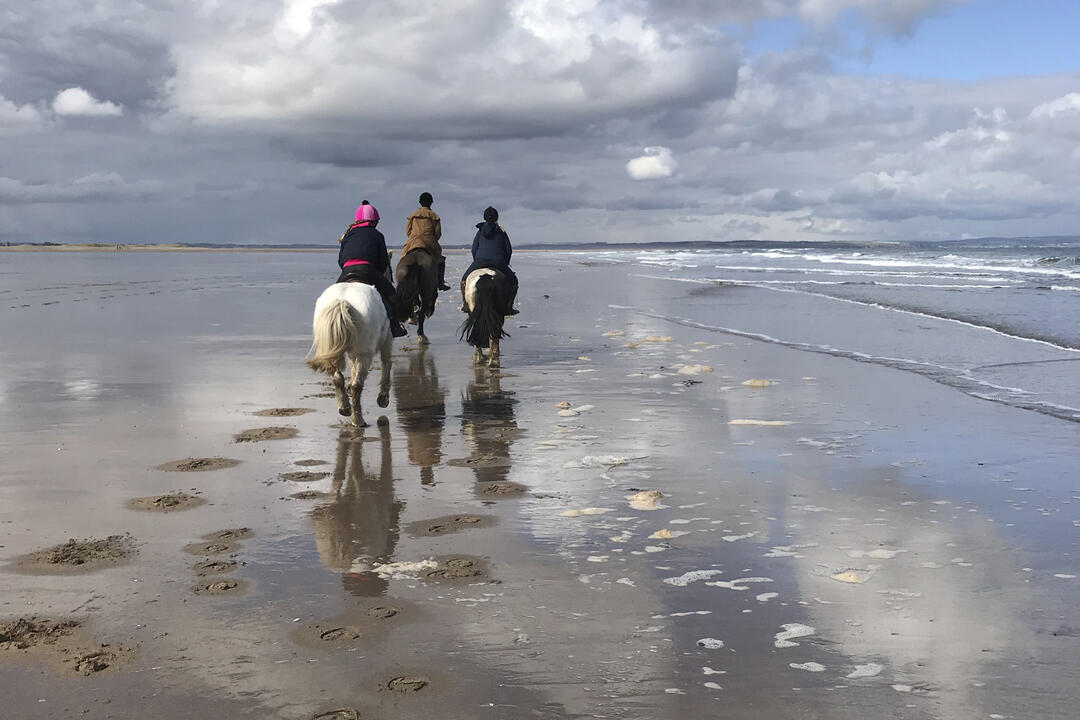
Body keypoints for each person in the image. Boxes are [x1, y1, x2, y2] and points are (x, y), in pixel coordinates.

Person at [337, 201, 408, 337]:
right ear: (374, 221)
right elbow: (383, 261)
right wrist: (377, 273)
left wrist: (347, 268)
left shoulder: (348, 235)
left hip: (347, 271)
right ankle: (395, 327)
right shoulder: (377, 235)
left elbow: (341, 260)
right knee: (392, 294)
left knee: (334, 297)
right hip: (367, 270)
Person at [460, 206, 518, 315]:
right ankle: (508, 307)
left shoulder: (480, 231)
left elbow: (474, 249)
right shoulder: (501, 231)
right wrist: (505, 263)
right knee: (514, 281)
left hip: (480, 260)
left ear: (484, 218)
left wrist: (477, 262)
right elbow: (509, 250)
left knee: (464, 280)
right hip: (498, 261)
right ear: (497, 218)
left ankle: (466, 305)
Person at [403, 192, 450, 290]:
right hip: (429, 242)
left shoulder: (413, 216)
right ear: (431, 203)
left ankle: (402, 280)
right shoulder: (434, 216)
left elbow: (408, 231)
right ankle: (440, 282)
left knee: (403, 258)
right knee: (440, 260)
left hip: (413, 241)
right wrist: (432, 239)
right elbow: (438, 233)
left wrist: (413, 238)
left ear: (420, 202)